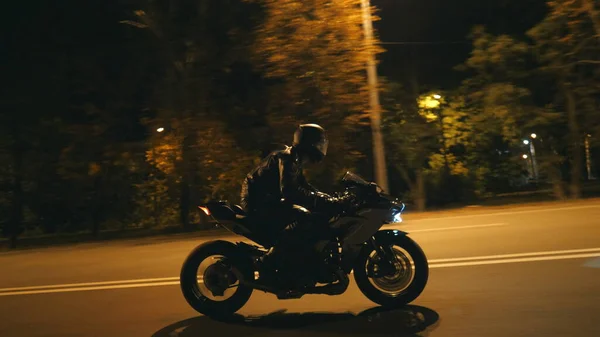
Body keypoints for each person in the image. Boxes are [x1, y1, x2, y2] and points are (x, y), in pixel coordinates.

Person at [240, 123, 355, 275]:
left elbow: (305, 187)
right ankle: (267, 261)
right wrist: (321, 201)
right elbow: (290, 191)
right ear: (310, 144)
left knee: (315, 215)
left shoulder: (295, 160)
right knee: (304, 217)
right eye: (320, 144)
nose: (322, 148)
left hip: (269, 200)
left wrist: (328, 198)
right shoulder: (286, 158)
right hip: (257, 202)